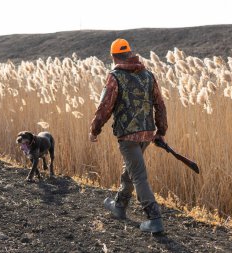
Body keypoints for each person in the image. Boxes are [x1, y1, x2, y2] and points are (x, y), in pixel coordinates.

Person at [89, 38, 168, 234]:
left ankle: (154, 219)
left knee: (138, 175)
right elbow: (160, 105)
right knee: (131, 169)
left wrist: (94, 130)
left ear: (114, 56)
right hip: (147, 134)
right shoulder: (149, 75)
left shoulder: (114, 77)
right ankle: (119, 207)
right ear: (130, 53)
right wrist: (161, 132)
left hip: (128, 135)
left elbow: (104, 107)